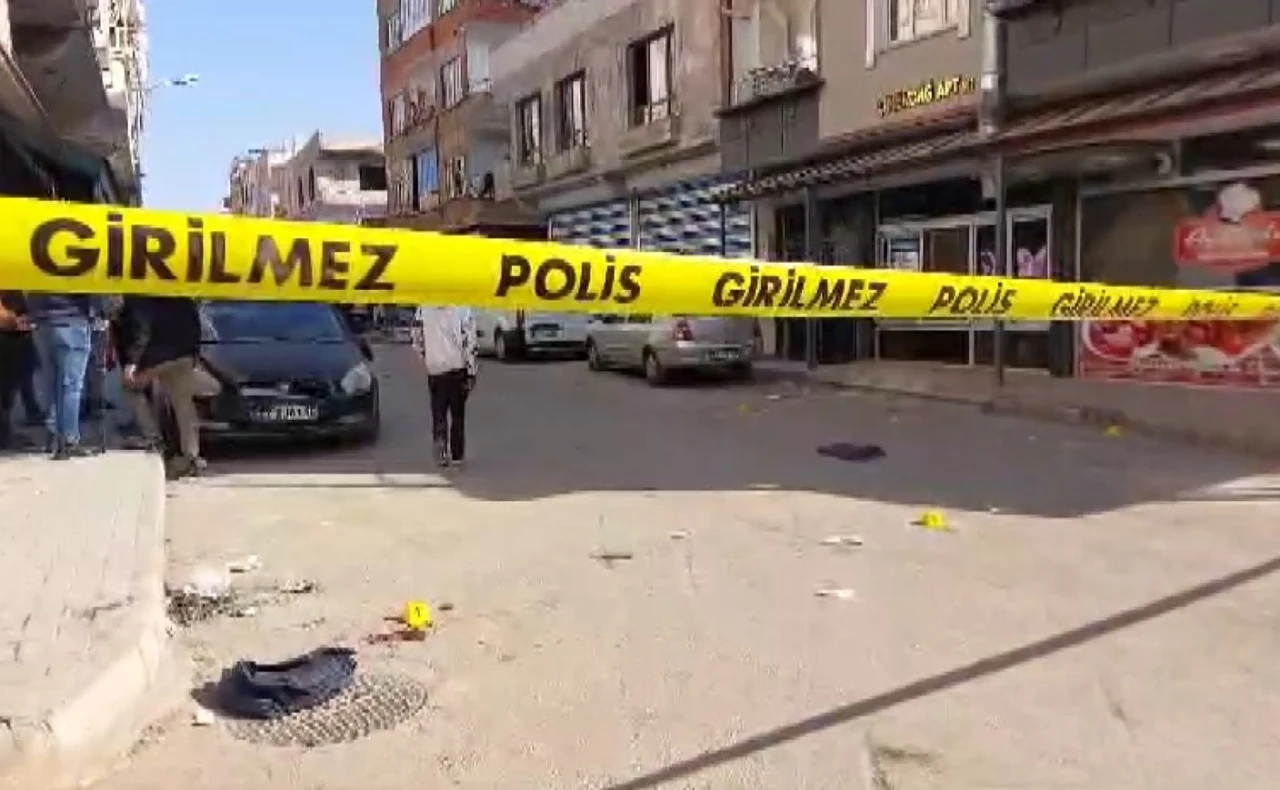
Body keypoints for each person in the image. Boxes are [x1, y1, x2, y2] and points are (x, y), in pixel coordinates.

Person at [120, 296, 204, 479]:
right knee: (184, 405)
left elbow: (142, 331)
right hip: (183, 355)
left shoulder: (142, 298)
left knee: (130, 387)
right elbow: (195, 323)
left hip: (156, 359)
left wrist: (132, 362)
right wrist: (195, 353)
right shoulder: (182, 294)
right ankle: (191, 455)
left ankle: (153, 438)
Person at [26, 292, 101, 458]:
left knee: (52, 382)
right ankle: (69, 439)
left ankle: (54, 436)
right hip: (73, 319)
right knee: (71, 385)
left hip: (43, 322)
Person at [416, 305, 477, 468]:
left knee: (438, 413)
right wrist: (471, 370)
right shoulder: (463, 308)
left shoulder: (423, 308)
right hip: (457, 367)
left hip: (435, 369)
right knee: (457, 415)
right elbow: (470, 340)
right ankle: (457, 455)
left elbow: (416, 335)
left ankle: (441, 449)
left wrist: (426, 355)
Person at [0, 291, 33, 451]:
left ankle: (5, 433)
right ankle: (3, 437)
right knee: (4, 392)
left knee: (9, 392)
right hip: (7, 335)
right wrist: (15, 320)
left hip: (15, 335)